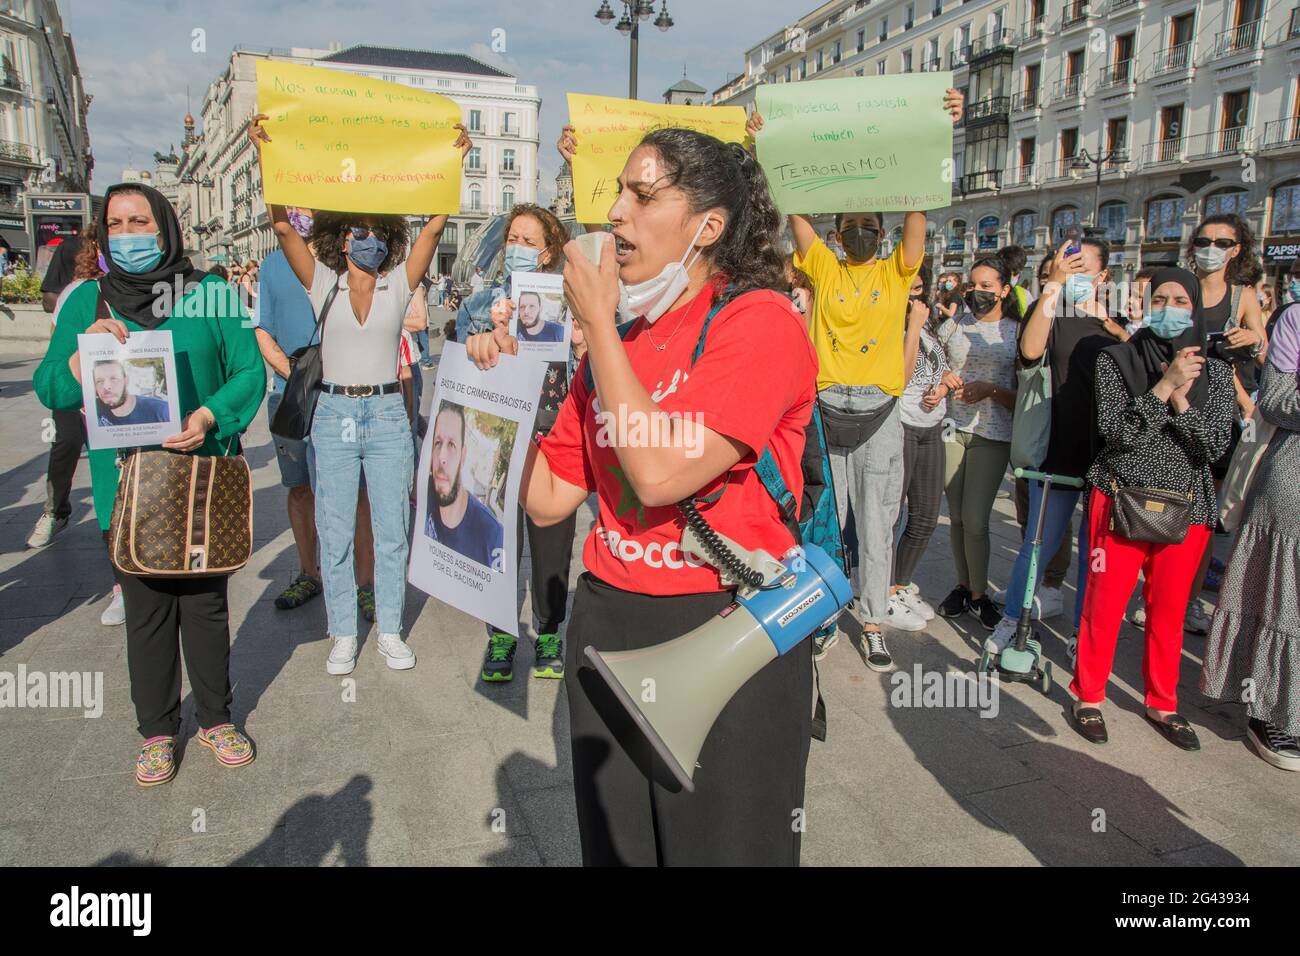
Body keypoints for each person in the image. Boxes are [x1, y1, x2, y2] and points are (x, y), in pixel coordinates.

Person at [470, 126, 818, 866]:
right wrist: (498, 391)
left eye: (643, 194)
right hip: (608, 623)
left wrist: (596, 322)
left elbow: (660, 474)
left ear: (708, 226)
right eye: (618, 192)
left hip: (724, 630)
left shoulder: (759, 322)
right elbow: (548, 499)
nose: (617, 213)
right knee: (620, 850)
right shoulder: (620, 338)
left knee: (725, 850)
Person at [33, 182, 265, 785]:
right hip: (129, 482)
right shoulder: (88, 300)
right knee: (147, 609)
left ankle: (216, 717)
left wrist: (210, 416)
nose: (129, 235)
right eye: (116, 224)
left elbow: (247, 371)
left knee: (206, 604)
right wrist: (82, 360)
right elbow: (51, 385)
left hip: (202, 475)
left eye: (141, 222)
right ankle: (158, 731)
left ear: (165, 228)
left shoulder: (213, 294)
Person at [746, 86, 964, 672]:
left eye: (873, 225)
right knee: (823, 521)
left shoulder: (898, 271)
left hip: (880, 416)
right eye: (852, 226)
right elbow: (793, 204)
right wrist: (768, 143)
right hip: (825, 409)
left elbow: (919, 211)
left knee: (876, 520)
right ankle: (820, 613)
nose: (862, 232)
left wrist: (933, 129)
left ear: (884, 233)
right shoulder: (821, 265)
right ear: (836, 234)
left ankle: (871, 620)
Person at [250, 111, 469, 675]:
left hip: (388, 413)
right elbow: (281, 229)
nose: (365, 239)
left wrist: (453, 163)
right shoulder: (321, 282)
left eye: (374, 231)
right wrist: (267, 158)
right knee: (336, 526)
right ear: (339, 237)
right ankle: (344, 631)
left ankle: (391, 629)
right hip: (334, 412)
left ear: (386, 238)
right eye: (355, 230)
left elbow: (432, 231)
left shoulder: (400, 284)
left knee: (392, 528)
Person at [1071, 268, 1235, 749]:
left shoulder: (1218, 371)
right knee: (1104, 604)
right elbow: (1118, 435)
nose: (1168, 307)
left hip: (1187, 508)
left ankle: (1162, 703)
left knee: (1168, 611)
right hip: (1122, 496)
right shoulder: (1116, 359)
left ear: (1196, 309)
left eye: (1180, 300)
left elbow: (1213, 446)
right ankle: (1089, 696)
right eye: (1158, 298)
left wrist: (1182, 398)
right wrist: (1163, 387)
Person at [985, 235, 1127, 655]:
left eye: (1082, 268)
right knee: (1038, 541)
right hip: (1059, 446)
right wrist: (1053, 287)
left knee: (1095, 554)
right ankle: (1013, 619)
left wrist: (1119, 330)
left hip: (1107, 453)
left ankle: (1085, 634)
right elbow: (1029, 351)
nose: (1072, 274)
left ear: (1103, 275)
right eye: (1067, 266)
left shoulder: (1116, 321)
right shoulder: (1050, 310)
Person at [461, 201, 580, 682]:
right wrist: (483, 344)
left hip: (553, 436)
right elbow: (460, 370)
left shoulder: (570, 302)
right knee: (498, 542)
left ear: (549, 251)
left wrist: (582, 342)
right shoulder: (481, 303)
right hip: (500, 436)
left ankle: (550, 630)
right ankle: (502, 636)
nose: (518, 248)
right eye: (512, 238)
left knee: (553, 544)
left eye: (529, 242)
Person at [253, 206, 379, 615]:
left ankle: (365, 583)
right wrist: (294, 377)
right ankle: (310, 573)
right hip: (291, 397)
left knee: (359, 491)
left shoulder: (346, 258)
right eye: (294, 205)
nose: (301, 211)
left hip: (347, 395)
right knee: (300, 487)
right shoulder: (271, 267)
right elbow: (262, 330)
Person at [1201, 299, 1300, 769]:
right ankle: (1273, 711)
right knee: (1284, 601)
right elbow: (1277, 401)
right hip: (1292, 483)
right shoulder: (1296, 318)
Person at [1184, 213, 1268, 633]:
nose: (1210, 248)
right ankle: (1153, 593)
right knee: (1164, 505)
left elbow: (1264, 348)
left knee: (1202, 514)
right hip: (1175, 404)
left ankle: (1192, 601)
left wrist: (1251, 339)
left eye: (1221, 242)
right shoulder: (1179, 287)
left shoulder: (1243, 295)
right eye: (1204, 240)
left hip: (1218, 413)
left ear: (1236, 250)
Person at [932, 250, 1021, 631]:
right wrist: (943, 381)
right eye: (973, 285)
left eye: (987, 286)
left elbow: (1024, 396)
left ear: (1005, 289)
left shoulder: (1017, 332)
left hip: (993, 432)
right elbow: (932, 368)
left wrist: (991, 390)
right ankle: (963, 586)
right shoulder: (953, 326)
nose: (977, 292)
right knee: (955, 517)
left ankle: (981, 595)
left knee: (976, 519)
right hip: (953, 428)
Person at [890, 264, 948, 627]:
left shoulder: (931, 325)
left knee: (926, 514)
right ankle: (883, 590)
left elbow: (938, 371)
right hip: (901, 424)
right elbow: (901, 376)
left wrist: (942, 388)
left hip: (932, 424)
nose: (917, 296)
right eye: (909, 289)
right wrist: (911, 324)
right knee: (892, 513)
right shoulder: (894, 324)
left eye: (921, 289)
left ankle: (901, 582)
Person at [27, 229, 91, 551]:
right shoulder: (74, 293)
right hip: (75, 380)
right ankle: (54, 510)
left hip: (115, 386)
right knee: (66, 440)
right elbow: (56, 338)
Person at [424, 401, 505, 568]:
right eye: (437, 443)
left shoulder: (491, 532)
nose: (442, 458)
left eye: (452, 445)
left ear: (463, 455)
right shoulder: (425, 513)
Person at [91, 359, 169, 425]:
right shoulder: (94, 408)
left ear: (126, 381)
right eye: (99, 381)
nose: (106, 387)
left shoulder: (162, 411)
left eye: (114, 379)